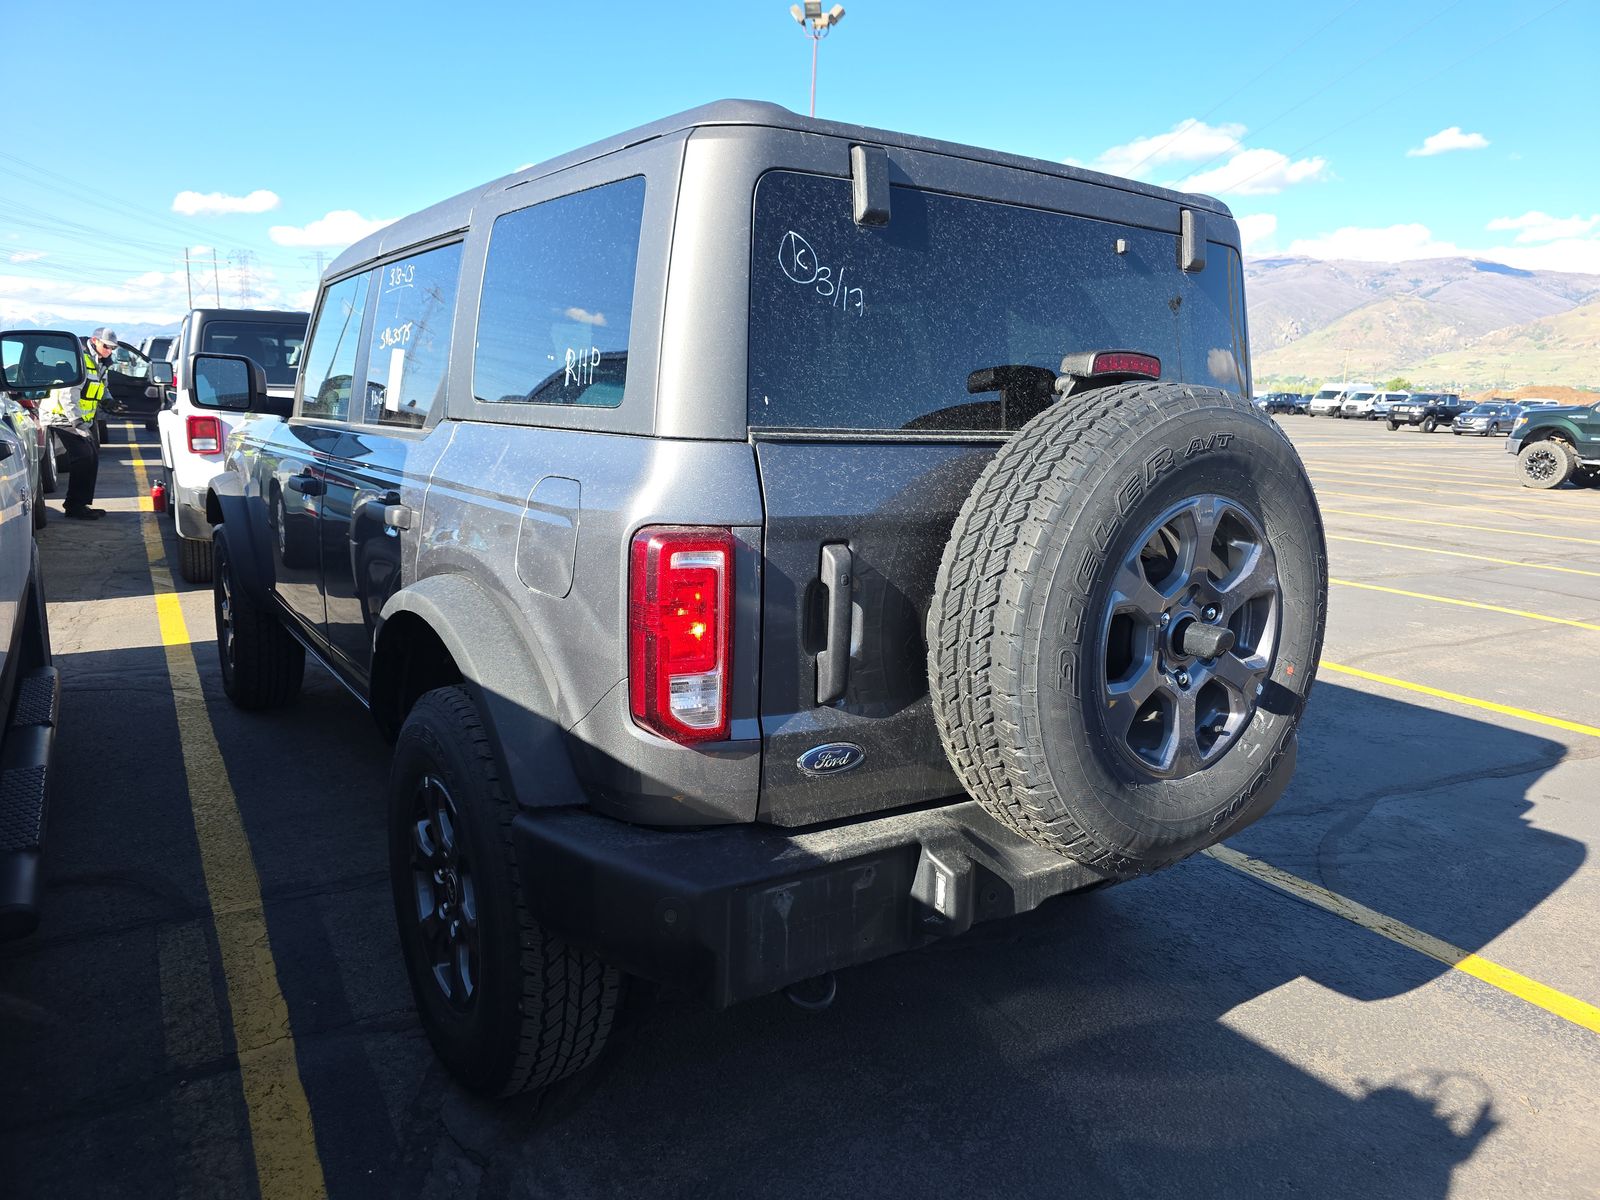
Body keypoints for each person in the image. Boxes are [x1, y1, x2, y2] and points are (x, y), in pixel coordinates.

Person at [38, 328, 115, 519]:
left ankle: (80, 504)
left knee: (91, 457)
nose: (110, 351)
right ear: (95, 341)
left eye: (113, 348)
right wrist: (77, 423)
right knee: (83, 456)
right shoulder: (79, 358)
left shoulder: (101, 363)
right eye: (107, 346)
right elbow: (68, 394)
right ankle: (74, 507)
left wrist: (109, 400)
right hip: (62, 416)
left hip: (79, 419)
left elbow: (101, 387)